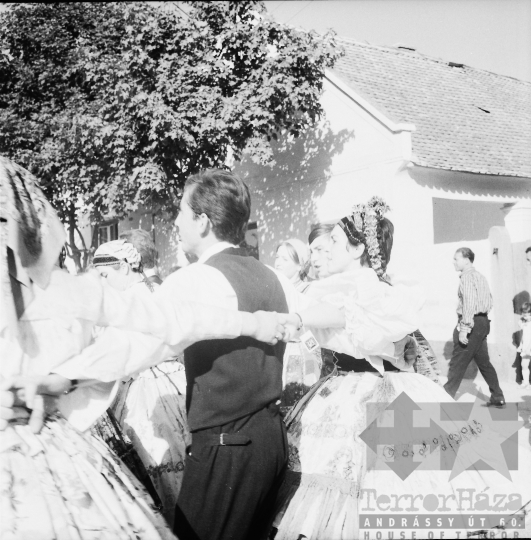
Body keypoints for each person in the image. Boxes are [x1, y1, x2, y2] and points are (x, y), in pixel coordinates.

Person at [0, 157, 285, 539]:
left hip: (227, 444)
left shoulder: (194, 279)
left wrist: (65, 378)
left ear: (203, 222)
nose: (175, 222)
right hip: (269, 439)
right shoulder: (270, 274)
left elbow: (144, 340)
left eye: (180, 212)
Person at [271, 198, 531, 540]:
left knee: (398, 482)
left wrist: (297, 318)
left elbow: (347, 317)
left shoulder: (368, 289)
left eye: (333, 241)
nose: (326, 250)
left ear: (357, 249)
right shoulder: (345, 287)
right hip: (348, 387)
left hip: (372, 391)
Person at [93, 233, 189, 527]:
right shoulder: (155, 290)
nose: (103, 283)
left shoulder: (129, 301)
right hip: (175, 382)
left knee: (161, 464)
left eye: (105, 275)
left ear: (124, 267)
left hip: (149, 390)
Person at [443, 247, 505, 406]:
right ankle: (497, 396)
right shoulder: (480, 277)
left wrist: (465, 328)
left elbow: (469, 304)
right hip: (482, 322)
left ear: (466, 260)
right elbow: (489, 302)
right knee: (484, 362)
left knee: (457, 361)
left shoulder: (467, 278)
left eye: (456, 259)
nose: (453, 262)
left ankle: (445, 397)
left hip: (471, 323)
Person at [516, 301, 531, 386]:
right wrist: (521, 345)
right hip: (525, 347)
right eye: (524, 315)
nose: (526, 317)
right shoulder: (524, 324)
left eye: (528, 315)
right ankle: (526, 382)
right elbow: (523, 336)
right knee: (524, 365)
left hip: (529, 347)